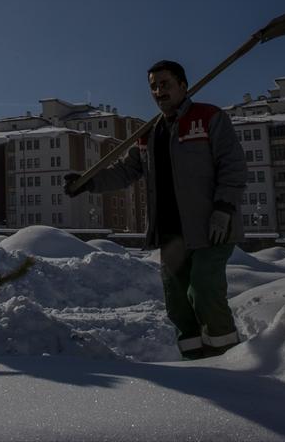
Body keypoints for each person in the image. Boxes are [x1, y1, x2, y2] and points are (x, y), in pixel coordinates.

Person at [65, 60, 247, 359]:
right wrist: (88, 183)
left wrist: (224, 207)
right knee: (177, 302)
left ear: (183, 86)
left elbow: (233, 166)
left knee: (203, 292)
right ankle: (195, 359)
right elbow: (126, 171)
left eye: (165, 84)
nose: (158, 91)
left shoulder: (209, 118)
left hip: (211, 226)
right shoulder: (149, 134)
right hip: (170, 232)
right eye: (153, 86)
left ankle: (229, 360)